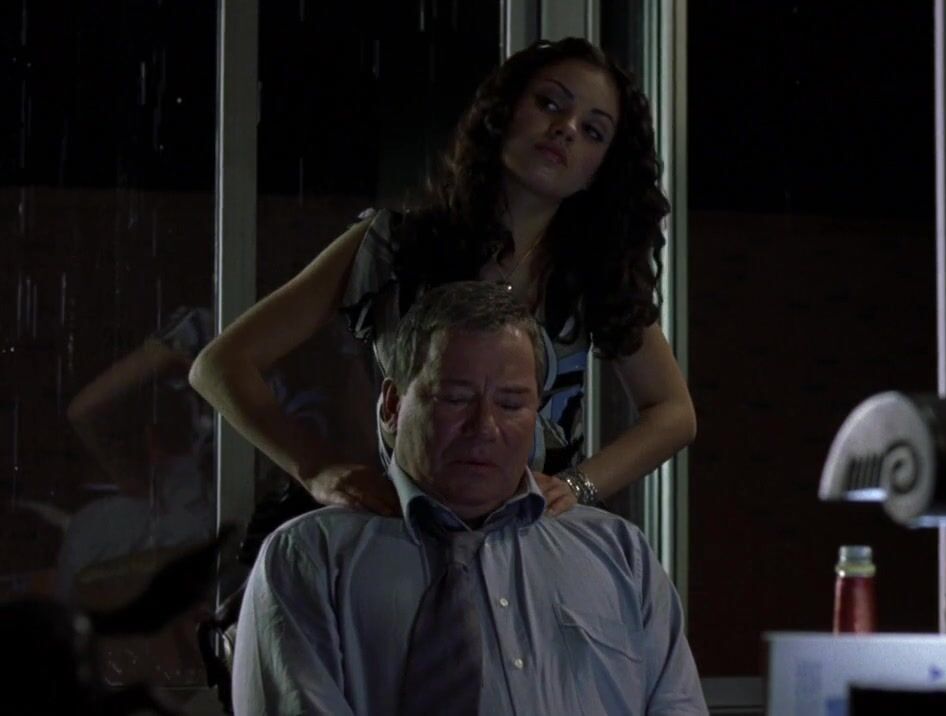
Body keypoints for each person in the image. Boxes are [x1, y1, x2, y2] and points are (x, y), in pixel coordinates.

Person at [189, 37, 696, 518]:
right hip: (403, 528)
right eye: (549, 104)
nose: (565, 128)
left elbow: (674, 414)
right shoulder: (393, 244)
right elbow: (219, 366)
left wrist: (578, 485)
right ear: (502, 112)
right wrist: (316, 468)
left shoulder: (592, 270)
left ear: (598, 171)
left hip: (537, 540)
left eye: (593, 131)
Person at [232, 282, 706, 715]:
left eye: (511, 403)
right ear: (393, 405)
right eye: (455, 399)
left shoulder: (619, 555)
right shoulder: (310, 559)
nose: (485, 428)